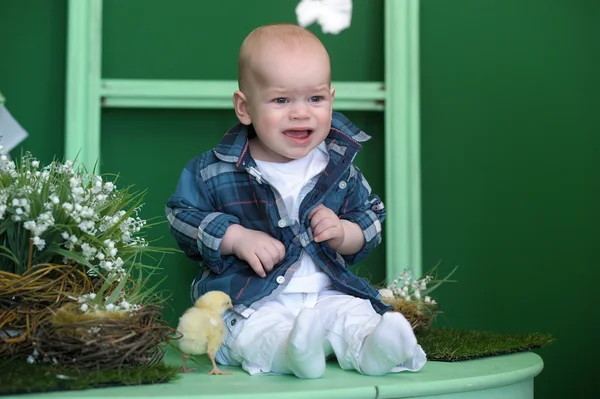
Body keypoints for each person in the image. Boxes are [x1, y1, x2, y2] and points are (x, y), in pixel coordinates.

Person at [166, 23, 426, 378]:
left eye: (315, 99)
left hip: (328, 293)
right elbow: (181, 215)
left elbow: (372, 217)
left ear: (331, 100)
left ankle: (374, 350)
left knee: (353, 315)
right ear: (245, 108)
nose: (301, 113)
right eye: (281, 100)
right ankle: (292, 354)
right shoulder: (216, 169)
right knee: (254, 332)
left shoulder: (338, 166)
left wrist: (343, 232)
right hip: (253, 300)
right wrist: (236, 237)